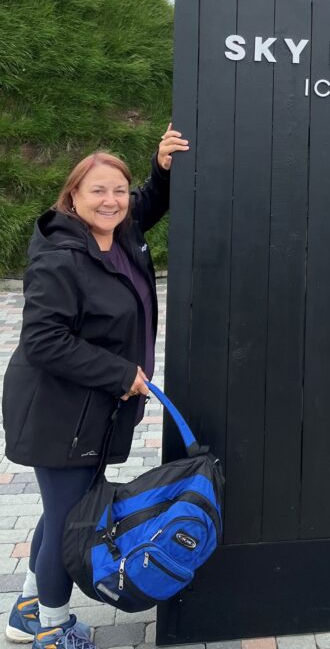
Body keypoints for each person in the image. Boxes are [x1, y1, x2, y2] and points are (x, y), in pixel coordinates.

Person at [2, 126, 189, 649]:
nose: (111, 200)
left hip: (90, 409)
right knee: (69, 522)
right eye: (97, 191)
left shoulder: (120, 234)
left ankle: (26, 609)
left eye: (119, 190)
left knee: (64, 507)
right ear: (73, 197)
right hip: (59, 410)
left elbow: (148, 204)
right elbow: (43, 340)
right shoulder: (60, 256)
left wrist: (160, 167)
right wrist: (120, 373)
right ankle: (53, 627)